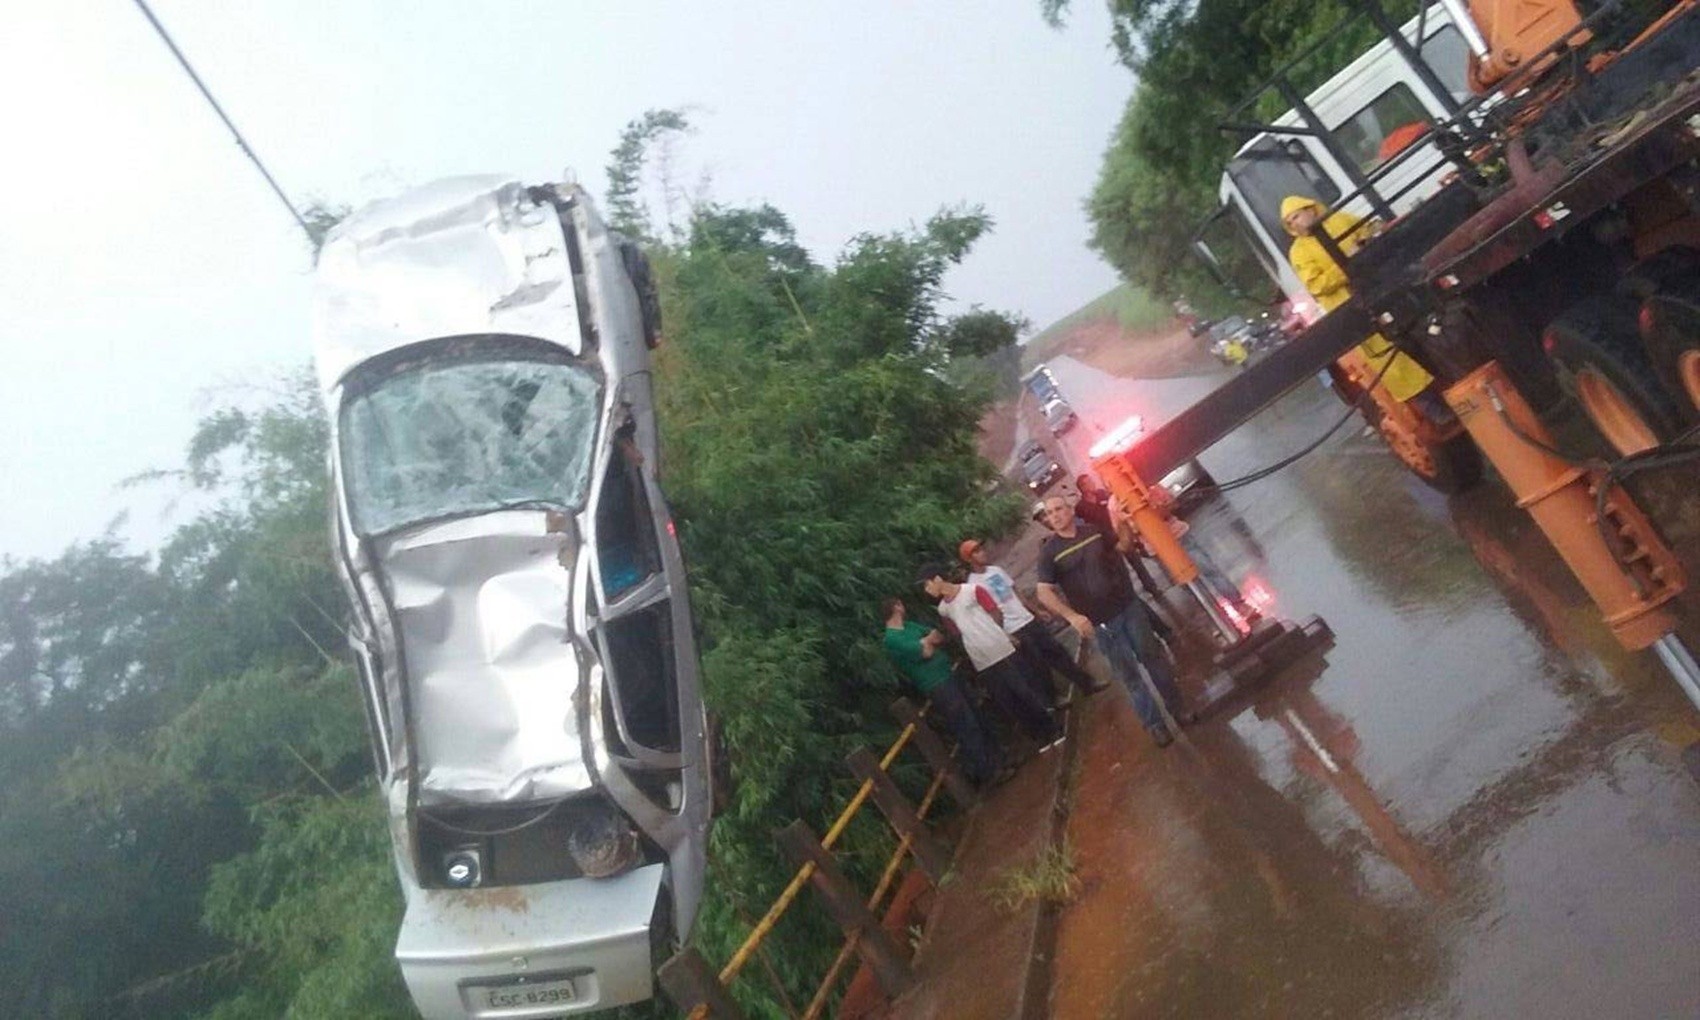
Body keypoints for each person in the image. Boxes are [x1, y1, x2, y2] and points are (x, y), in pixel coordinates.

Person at [1034, 495, 1188, 747]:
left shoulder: (1093, 531)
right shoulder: (1049, 553)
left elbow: (1123, 546)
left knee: (1153, 658)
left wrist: (1124, 523)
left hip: (1128, 607)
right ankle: (1155, 726)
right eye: (1050, 513)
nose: (1055, 516)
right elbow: (1043, 592)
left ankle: (1178, 710)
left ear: (1070, 510)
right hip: (1101, 624)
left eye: (1058, 509)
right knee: (1130, 676)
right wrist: (1072, 617)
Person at [1280, 195, 1451, 423]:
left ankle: (1455, 381)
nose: (1296, 223)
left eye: (1297, 215)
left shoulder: (1340, 219)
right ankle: (1437, 410)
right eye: (1290, 222)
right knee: (1392, 363)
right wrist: (1346, 264)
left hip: (1387, 288)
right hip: (1356, 311)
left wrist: (1367, 244)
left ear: (1310, 209)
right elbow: (1317, 284)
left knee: (1428, 333)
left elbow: (1372, 232)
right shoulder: (1299, 252)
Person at [916, 563, 1062, 752]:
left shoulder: (972, 591)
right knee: (1008, 700)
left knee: (1023, 690)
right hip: (981, 659)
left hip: (1000, 648)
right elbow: (956, 632)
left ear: (937, 579)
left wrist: (996, 632)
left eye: (927, 585)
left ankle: (1051, 727)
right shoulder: (944, 609)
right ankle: (1037, 734)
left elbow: (995, 611)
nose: (928, 590)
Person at [958, 538, 1106, 702]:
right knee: (1038, 665)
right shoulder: (973, 586)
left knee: (1057, 652)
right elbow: (987, 613)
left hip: (1027, 620)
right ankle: (1053, 699)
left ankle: (1087, 684)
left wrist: (1035, 611)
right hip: (1012, 628)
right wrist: (1005, 634)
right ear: (969, 559)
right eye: (976, 552)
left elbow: (1016, 593)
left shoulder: (995, 571)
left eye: (981, 549)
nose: (982, 553)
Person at [881, 596, 1001, 785]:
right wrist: (927, 641)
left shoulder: (909, 626)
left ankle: (997, 759)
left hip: (948, 675)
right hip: (936, 684)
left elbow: (938, 636)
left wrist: (926, 640)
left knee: (976, 714)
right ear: (896, 607)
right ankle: (988, 770)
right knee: (965, 724)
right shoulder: (892, 639)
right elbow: (925, 651)